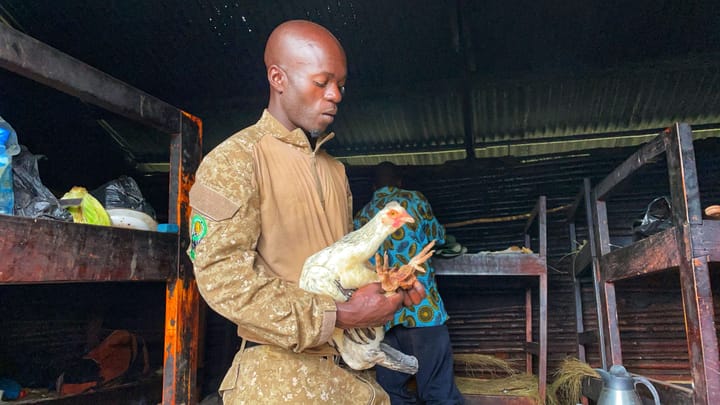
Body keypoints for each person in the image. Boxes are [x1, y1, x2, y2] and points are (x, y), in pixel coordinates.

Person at [186, 20, 424, 404]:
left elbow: (337, 272)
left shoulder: (335, 171)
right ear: (278, 78)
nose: (335, 95)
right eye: (322, 82)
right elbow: (222, 279)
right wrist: (339, 315)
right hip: (279, 386)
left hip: (353, 382)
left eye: (341, 85)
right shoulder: (235, 160)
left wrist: (383, 290)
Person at [354, 162, 464, 404]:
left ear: (374, 186)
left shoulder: (362, 216)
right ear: (400, 182)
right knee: (438, 392)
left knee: (392, 394)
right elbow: (437, 237)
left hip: (385, 315)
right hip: (423, 310)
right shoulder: (414, 200)